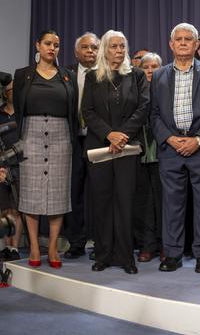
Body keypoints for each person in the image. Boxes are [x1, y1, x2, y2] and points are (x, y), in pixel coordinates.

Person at [150, 23, 200, 273]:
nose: (182, 43)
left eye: (187, 39)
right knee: (172, 204)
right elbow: (154, 114)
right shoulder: (159, 75)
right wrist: (169, 138)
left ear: (196, 45)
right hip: (170, 148)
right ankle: (172, 254)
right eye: (178, 39)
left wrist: (199, 140)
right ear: (171, 45)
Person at [82, 30, 149, 274]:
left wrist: (121, 136)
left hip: (127, 149)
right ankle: (103, 255)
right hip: (100, 148)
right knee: (101, 202)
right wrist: (109, 134)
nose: (119, 51)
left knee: (125, 202)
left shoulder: (138, 75)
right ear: (104, 50)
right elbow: (87, 111)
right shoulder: (92, 77)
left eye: (122, 46)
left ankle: (125, 258)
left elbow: (143, 108)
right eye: (114, 47)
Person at [13, 30, 79, 268]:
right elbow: (19, 109)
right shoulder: (23, 75)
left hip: (61, 135)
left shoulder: (67, 76)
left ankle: (52, 247)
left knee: (58, 193)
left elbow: (73, 112)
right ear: (38, 46)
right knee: (30, 192)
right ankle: (32, 245)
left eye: (57, 45)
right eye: (48, 43)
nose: (53, 48)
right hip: (30, 133)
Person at [63, 32, 100, 260]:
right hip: (72, 140)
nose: (90, 51)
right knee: (73, 193)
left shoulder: (105, 74)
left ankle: (99, 242)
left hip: (97, 139)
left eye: (94, 48)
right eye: (85, 48)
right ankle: (75, 242)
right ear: (77, 52)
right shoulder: (65, 74)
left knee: (99, 193)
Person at [134, 51, 163, 262]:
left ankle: (164, 245)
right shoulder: (134, 90)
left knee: (163, 203)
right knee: (143, 203)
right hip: (140, 153)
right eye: (146, 67)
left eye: (154, 66)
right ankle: (147, 245)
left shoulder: (165, 89)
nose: (150, 70)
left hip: (162, 153)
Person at [0, 80, 22, 261]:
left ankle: (15, 248)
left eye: (16, 89)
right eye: (9, 90)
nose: (12, 92)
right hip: (2, 166)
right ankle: (6, 246)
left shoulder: (24, 113)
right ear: (4, 93)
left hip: (21, 164)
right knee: (4, 210)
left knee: (17, 210)